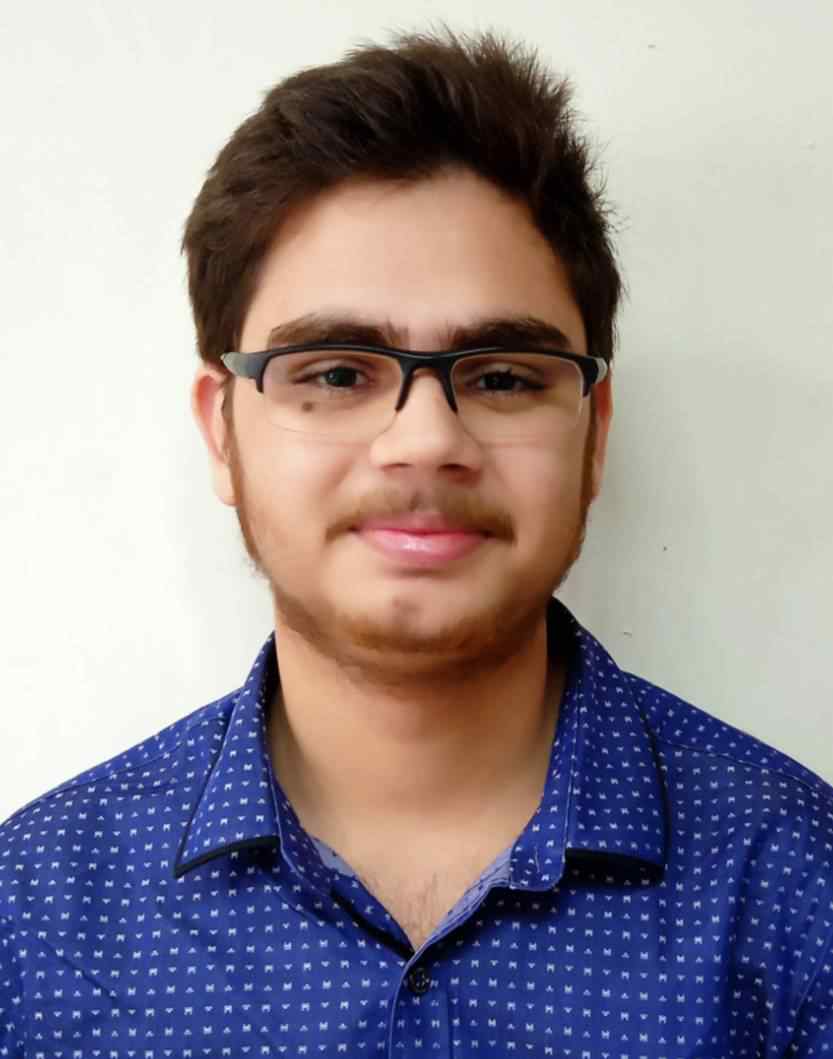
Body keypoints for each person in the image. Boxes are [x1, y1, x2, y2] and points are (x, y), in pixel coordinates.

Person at [1, 22, 831, 1057]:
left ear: (593, 435)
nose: (426, 441)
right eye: (336, 372)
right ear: (221, 431)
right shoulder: (33, 919)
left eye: (502, 376)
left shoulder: (799, 888)